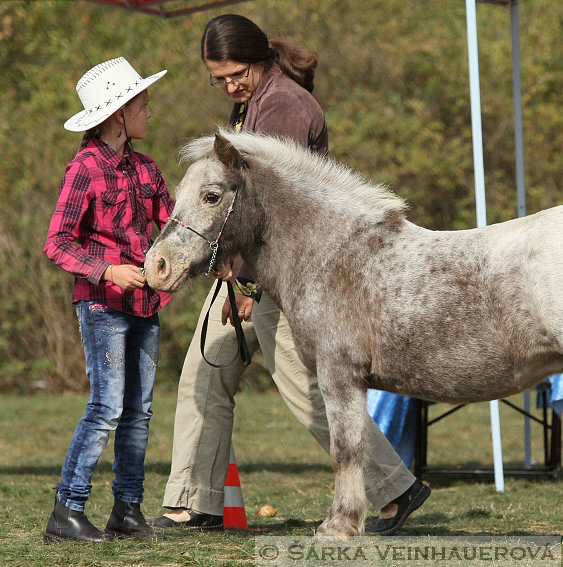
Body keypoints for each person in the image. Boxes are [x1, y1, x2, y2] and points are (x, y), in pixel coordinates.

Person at [148, 14, 429, 536]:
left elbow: (270, 204)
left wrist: (247, 285)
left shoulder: (284, 106)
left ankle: (393, 488)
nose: (229, 86)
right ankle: (193, 502)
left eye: (236, 74)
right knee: (203, 377)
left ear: (258, 59)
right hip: (249, 273)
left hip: (280, 279)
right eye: (218, 79)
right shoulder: (252, 103)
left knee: (311, 392)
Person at [43, 57, 173, 543]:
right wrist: (108, 271)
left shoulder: (147, 168)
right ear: (119, 114)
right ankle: (67, 510)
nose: (150, 112)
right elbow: (57, 242)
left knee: (138, 412)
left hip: (144, 307)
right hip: (102, 307)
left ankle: (127, 510)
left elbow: (174, 227)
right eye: (143, 104)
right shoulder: (84, 168)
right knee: (106, 408)